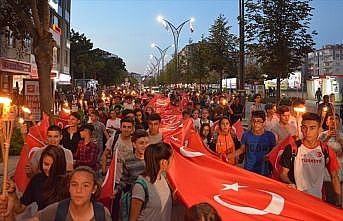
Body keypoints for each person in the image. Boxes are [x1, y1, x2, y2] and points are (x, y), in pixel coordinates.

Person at [280, 113, 341, 206]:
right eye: (304, 127)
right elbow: (283, 174)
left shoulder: (326, 150)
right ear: (301, 128)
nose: (307, 132)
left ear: (319, 129)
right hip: (295, 199)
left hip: (317, 200)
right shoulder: (292, 148)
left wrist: (339, 201)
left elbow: (334, 177)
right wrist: (289, 183)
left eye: (312, 128)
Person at [0, 146, 69, 219]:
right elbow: (19, 208)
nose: (49, 169)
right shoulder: (37, 180)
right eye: (46, 164)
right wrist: (13, 192)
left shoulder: (68, 182)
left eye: (53, 166)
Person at [35, 166, 112, 221]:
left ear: (93, 189)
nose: (78, 190)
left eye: (85, 186)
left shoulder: (102, 214)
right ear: (69, 187)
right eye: (74, 185)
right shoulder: (56, 211)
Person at [130, 142, 173, 221]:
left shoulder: (164, 179)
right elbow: (133, 218)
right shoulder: (140, 186)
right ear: (164, 162)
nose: (172, 163)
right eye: (171, 159)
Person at [237, 110, 276, 176]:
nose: (255, 124)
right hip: (249, 170)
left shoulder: (270, 136)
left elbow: (274, 152)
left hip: (264, 171)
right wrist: (227, 156)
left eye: (259, 121)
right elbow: (241, 150)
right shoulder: (246, 135)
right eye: (253, 121)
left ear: (264, 122)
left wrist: (269, 156)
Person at [319, 113, 343, 206]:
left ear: (339, 122)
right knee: (329, 200)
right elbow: (318, 151)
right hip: (327, 173)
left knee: (339, 200)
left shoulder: (341, 135)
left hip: (340, 171)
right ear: (327, 122)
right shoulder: (321, 135)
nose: (333, 121)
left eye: (336, 119)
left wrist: (340, 140)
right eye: (331, 119)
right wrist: (327, 138)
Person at [118, 129, 149, 194]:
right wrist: (116, 191)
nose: (145, 146)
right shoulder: (128, 160)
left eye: (147, 143)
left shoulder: (153, 159)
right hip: (134, 197)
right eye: (141, 143)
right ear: (134, 145)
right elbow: (124, 180)